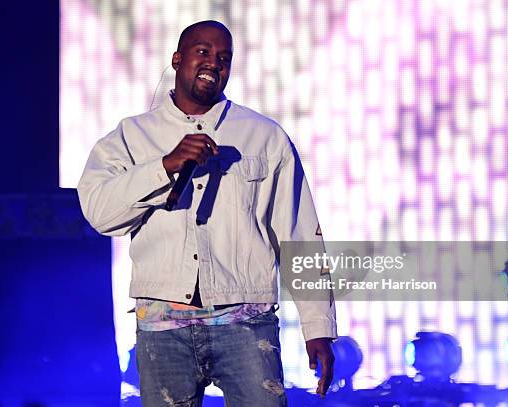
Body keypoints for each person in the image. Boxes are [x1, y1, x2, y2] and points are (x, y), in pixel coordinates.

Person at [78, 20, 337, 406]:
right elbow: (99, 213)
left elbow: (299, 234)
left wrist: (319, 327)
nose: (214, 63)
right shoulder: (132, 136)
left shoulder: (264, 136)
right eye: (203, 52)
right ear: (177, 59)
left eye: (224, 58)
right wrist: (163, 166)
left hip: (245, 321)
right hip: (163, 325)